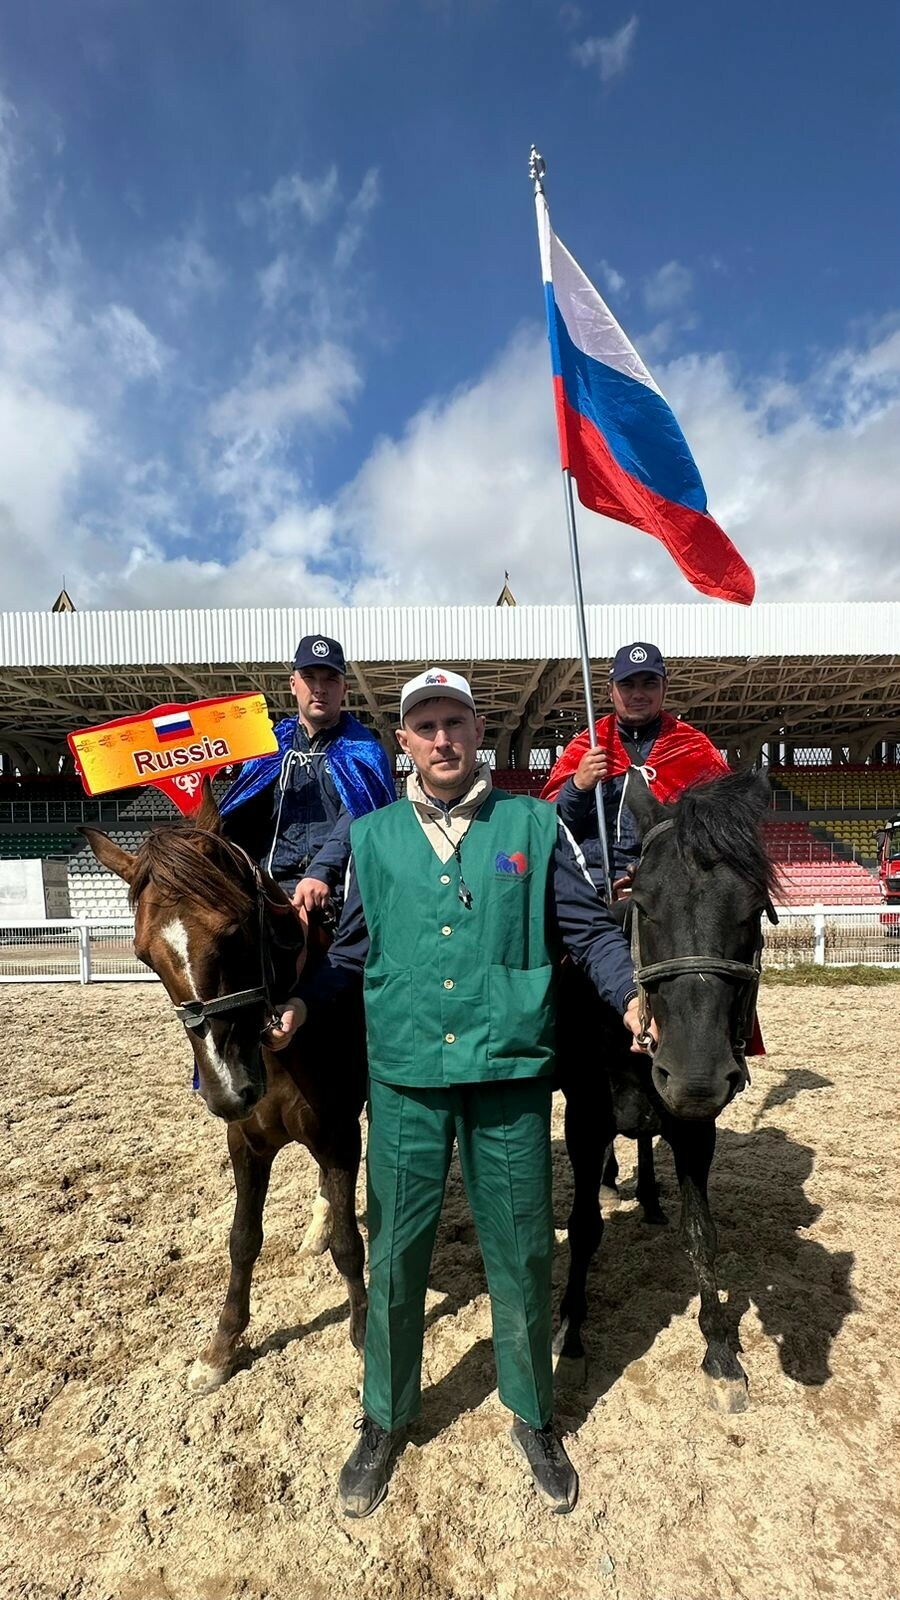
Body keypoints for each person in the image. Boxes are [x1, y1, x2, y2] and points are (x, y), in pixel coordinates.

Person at [268, 668, 653, 1518]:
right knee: (396, 1252)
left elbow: (586, 929)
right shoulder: (370, 840)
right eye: (425, 726)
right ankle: (384, 1416)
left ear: (480, 733)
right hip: (405, 1077)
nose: (442, 739)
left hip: (511, 1072)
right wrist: (302, 1002)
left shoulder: (534, 823)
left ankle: (533, 1411)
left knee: (521, 1250)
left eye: (455, 723)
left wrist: (628, 990)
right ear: (403, 741)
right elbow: (349, 954)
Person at [219, 634, 396, 918]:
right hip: (269, 890)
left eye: (330, 680)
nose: (319, 689)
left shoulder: (364, 751)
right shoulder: (268, 747)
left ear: (344, 689)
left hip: (343, 894)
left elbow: (359, 819)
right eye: (309, 677)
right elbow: (242, 818)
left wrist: (321, 872)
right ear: (293, 684)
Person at [541, 642, 729, 897]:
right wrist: (577, 787)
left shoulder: (694, 748)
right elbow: (552, 830)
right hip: (591, 885)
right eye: (627, 685)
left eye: (649, 683)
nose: (638, 694)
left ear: (665, 686)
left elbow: (722, 831)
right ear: (611, 690)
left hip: (672, 888)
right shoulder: (585, 747)